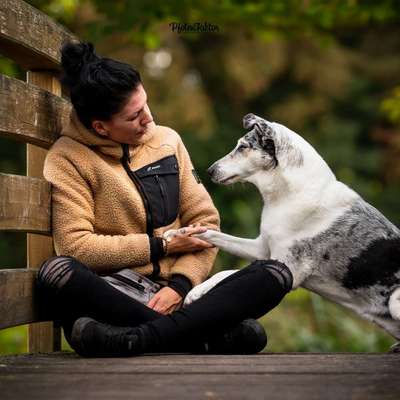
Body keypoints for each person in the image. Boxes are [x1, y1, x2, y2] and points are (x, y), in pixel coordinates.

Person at [37, 41, 293, 357]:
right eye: (134, 117)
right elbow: (76, 247)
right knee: (57, 273)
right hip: (115, 295)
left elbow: (205, 222)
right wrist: (163, 245)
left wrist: (180, 286)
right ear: (101, 127)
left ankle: (138, 340)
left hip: (181, 295)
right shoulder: (68, 158)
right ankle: (194, 337)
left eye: (145, 105)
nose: (148, 119)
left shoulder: (168, 141)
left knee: (276, 274)